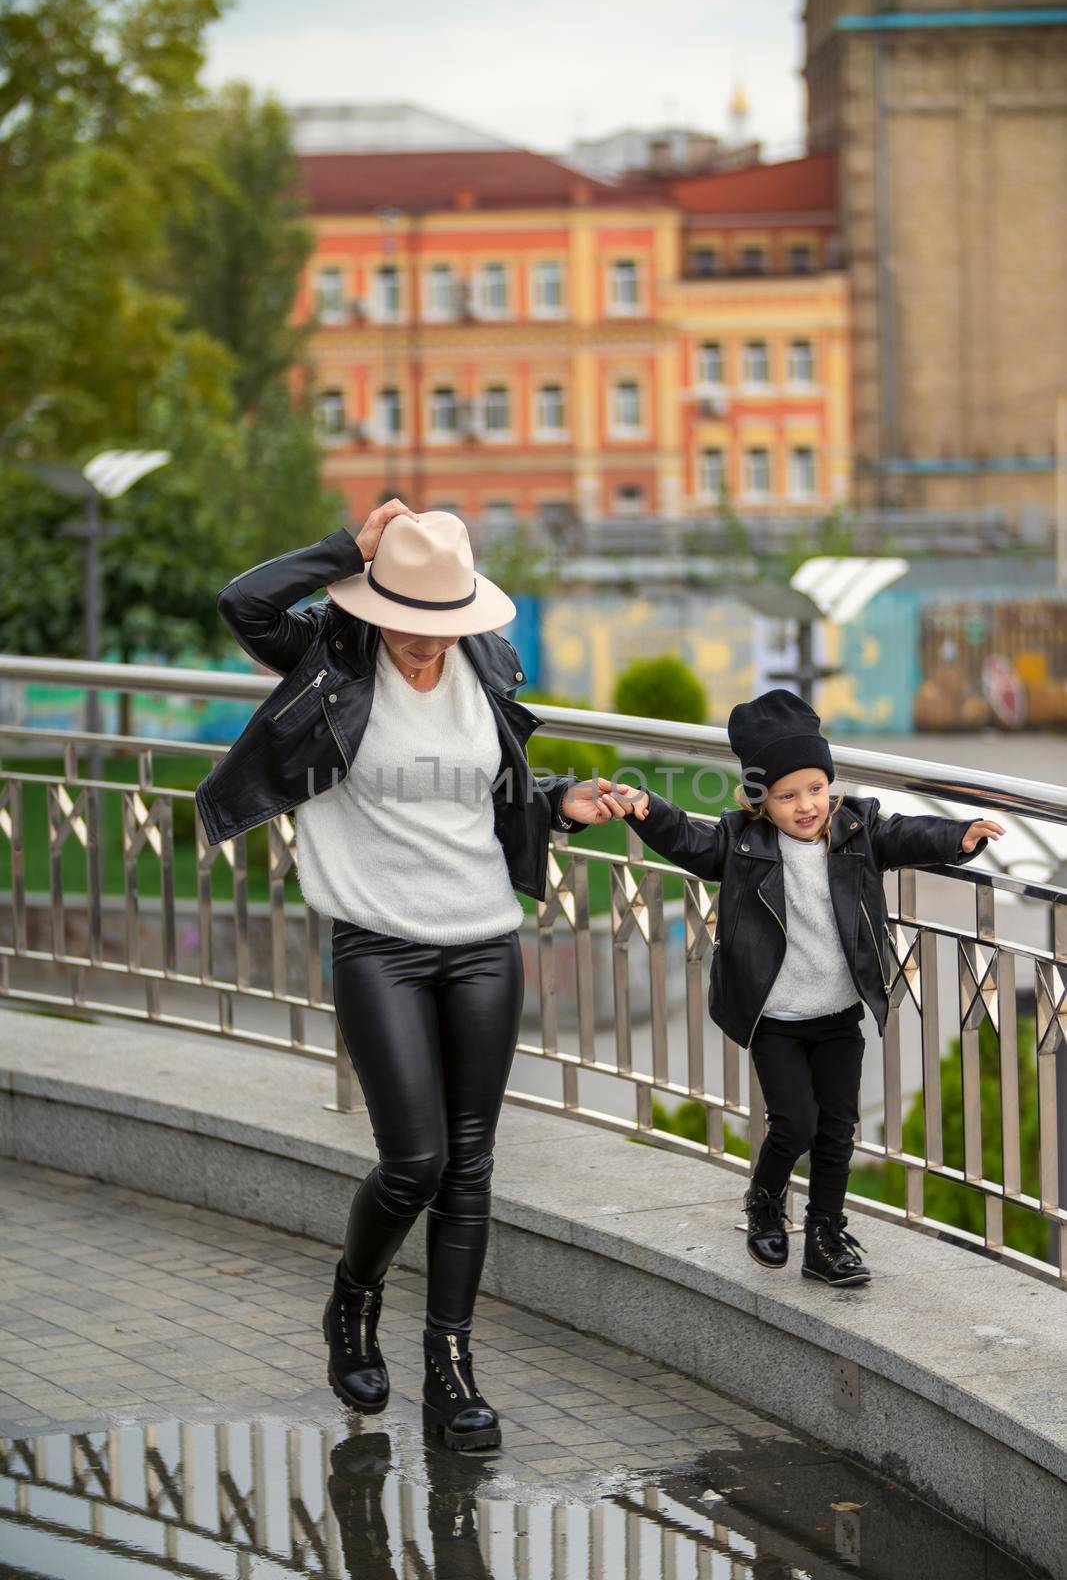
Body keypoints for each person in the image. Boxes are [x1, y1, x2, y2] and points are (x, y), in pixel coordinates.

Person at [196, 502, 616, 1449]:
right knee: (414, 1161)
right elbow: (243, 601)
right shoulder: (330, 661)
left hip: (481, 939)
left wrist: (560, 804)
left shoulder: (489, 664)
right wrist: (346, 546)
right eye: (411, 622)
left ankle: (450, 1364)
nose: (427, 644)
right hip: (377, 941)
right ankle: (352, 1299)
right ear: (376, 605)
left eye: (444, 624)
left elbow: (480, 792)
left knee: (470, 1167)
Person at [585, 689, 1004, 1287]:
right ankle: (764, 1196)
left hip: (838, 1012)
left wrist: (958, 836)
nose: (806, 805)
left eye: (816, 789)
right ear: (760, 799)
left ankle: (825, 1238)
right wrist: (645, 806)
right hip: (776, 1016)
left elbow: (904, 834)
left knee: (838, 1131)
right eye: (787, 795)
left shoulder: (858, 828)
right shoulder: (741, 841)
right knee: (796, 1124)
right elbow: (691, 841)